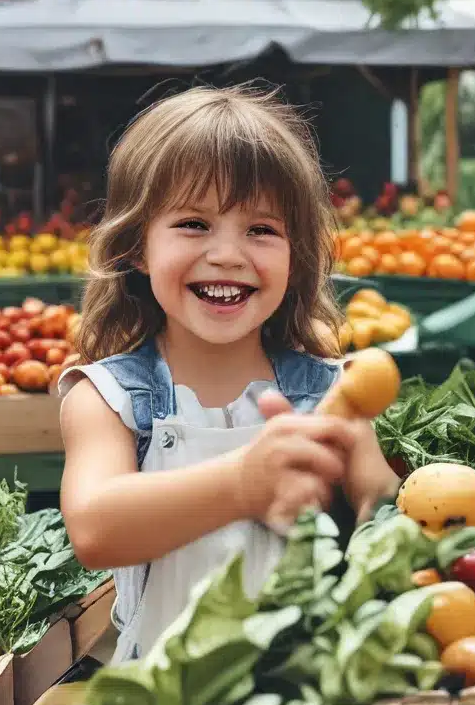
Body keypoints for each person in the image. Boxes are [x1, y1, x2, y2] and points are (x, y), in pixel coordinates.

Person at [58, 85, 399, 662]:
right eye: (194, 223)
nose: (228, 254)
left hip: (305, 698)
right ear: (137, 248)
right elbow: (96, 529)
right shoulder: (110, 397)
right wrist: (244, 485)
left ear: (297, 257)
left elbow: (384, 514)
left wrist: (376, 508)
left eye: (261, 230)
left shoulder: (330, 395)